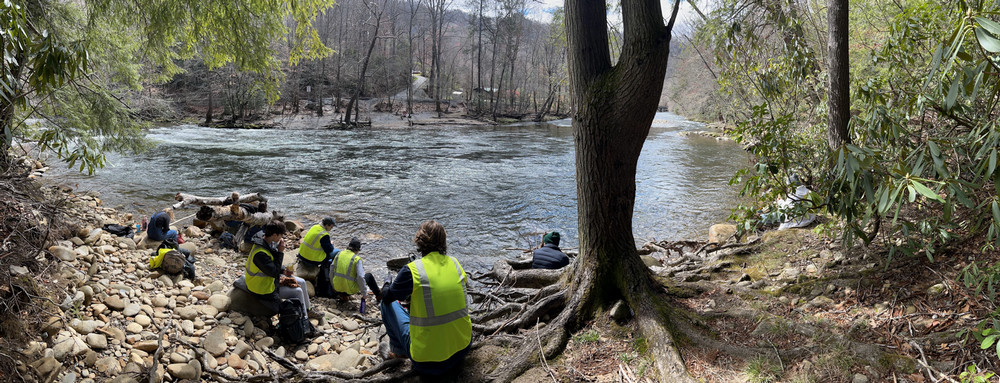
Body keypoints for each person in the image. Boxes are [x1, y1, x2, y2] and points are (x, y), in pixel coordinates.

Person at [378, 220, 471, 375]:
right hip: (462, 349)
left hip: (428, 362)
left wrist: (387, 283)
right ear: (444, 241)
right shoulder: (455, 263)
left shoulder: (413, 270)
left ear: (419, 242)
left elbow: (387, 297)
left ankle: (397, 352)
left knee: (386, 305)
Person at [244, 221, 314, 317]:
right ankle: (304, 320)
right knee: (298, 292)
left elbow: (271, 264)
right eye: (281, 235)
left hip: (269, 280)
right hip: (262, 288)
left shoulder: (266, 241)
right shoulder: (260, 253)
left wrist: (283, 270)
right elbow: (273, 272)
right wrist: (280, 252)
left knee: (301, 281)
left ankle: (308, 310)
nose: (282, 238)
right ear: (274, 235)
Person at [297, 217, 339, 297]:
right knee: (337, 252)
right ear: (326, 225)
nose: (332, 228)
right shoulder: (324, 235)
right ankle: (330, 270)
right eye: (331, 226)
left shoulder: (314, 227)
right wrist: (331, 244)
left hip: (302, 255)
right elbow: (329, 250)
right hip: (312, 260)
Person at [332, 238, 369, 312]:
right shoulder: (356, 259)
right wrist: (364, 293)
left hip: (336, 288)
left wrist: (333, 286)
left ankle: (343, 295)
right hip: (349, 289)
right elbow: (360, 277)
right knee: (369, 276)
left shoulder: (339, 254)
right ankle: (378, 295)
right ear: (357, 250)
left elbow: (331, 271)